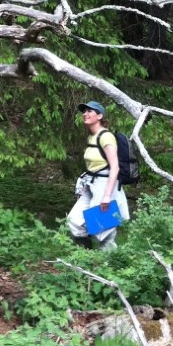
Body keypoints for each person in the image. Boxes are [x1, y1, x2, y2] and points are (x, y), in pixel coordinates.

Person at [66, 100, 130, 247]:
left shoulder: (106, 136)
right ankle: (86, 257)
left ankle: (112, 265)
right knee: (73, 221)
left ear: (99, 116)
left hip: (105, 185)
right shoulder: (91, 137)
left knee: (103, 232)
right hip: (91, 183)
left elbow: (115, 167)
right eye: (84, 111)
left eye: (90, 111)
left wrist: (107, 196)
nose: (85, 114)